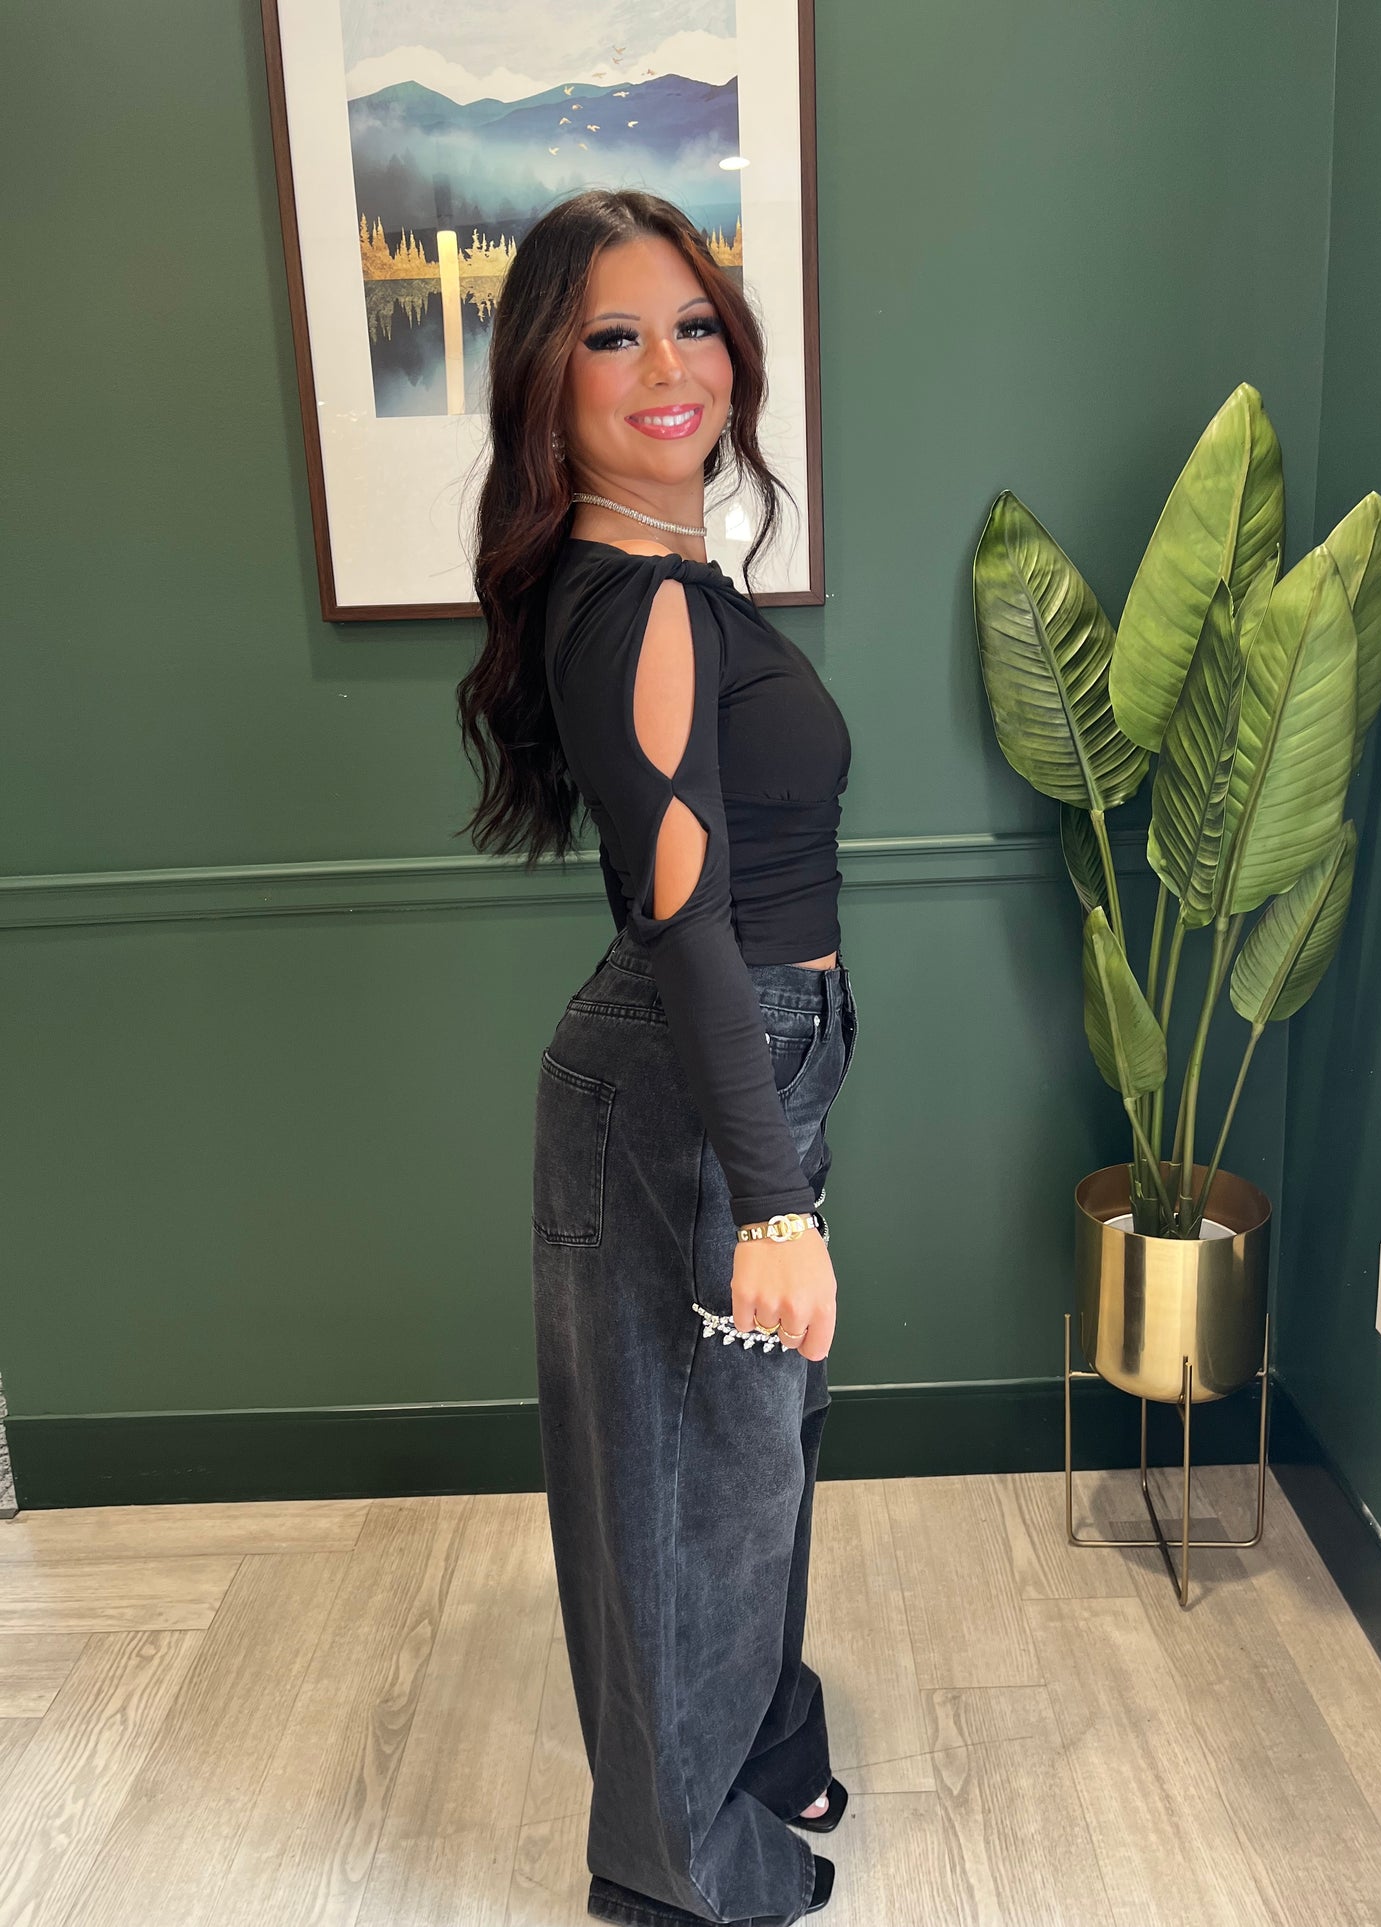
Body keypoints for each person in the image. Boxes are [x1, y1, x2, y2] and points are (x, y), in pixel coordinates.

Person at [456, 187, 859, 1927]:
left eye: (690, 323)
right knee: (696, 1490)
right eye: (610, 337)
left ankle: (761, 1742)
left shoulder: (670, 579)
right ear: (547, 386)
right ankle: (678, 1882)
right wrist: (769, 1201)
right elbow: (688, 923)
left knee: (751, 1452)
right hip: (698, 1089)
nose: (667, 366)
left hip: (745, 1062)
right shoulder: (639, 607)